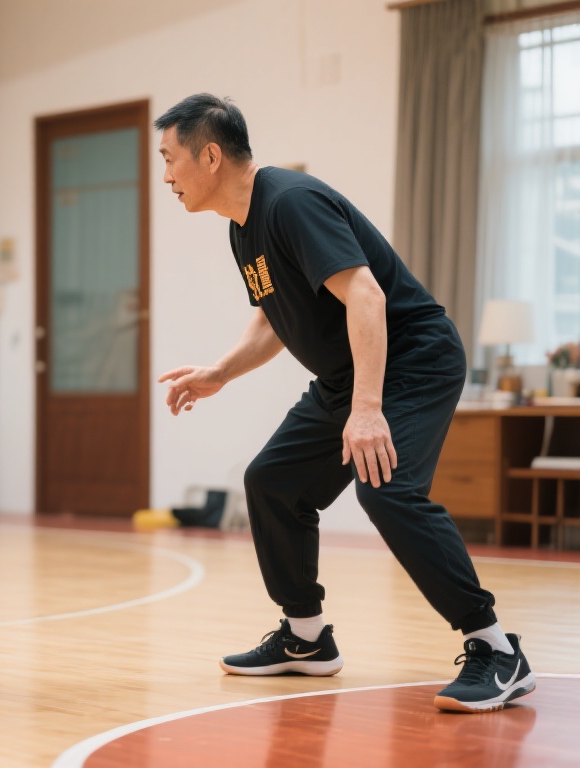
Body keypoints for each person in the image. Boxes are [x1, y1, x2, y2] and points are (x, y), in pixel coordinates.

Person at [153, 93, 534, 714]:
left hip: (413, 360)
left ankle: (496, 648)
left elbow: (366, 297)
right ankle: (305, 639)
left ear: (211, 155)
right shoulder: (242, 228)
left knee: (386, 488)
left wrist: (366, 409)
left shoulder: (291, 203)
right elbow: (272, 318)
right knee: (273, 482)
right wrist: (221, 372)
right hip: (347, 375)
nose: (166, 175)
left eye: (170, 159)